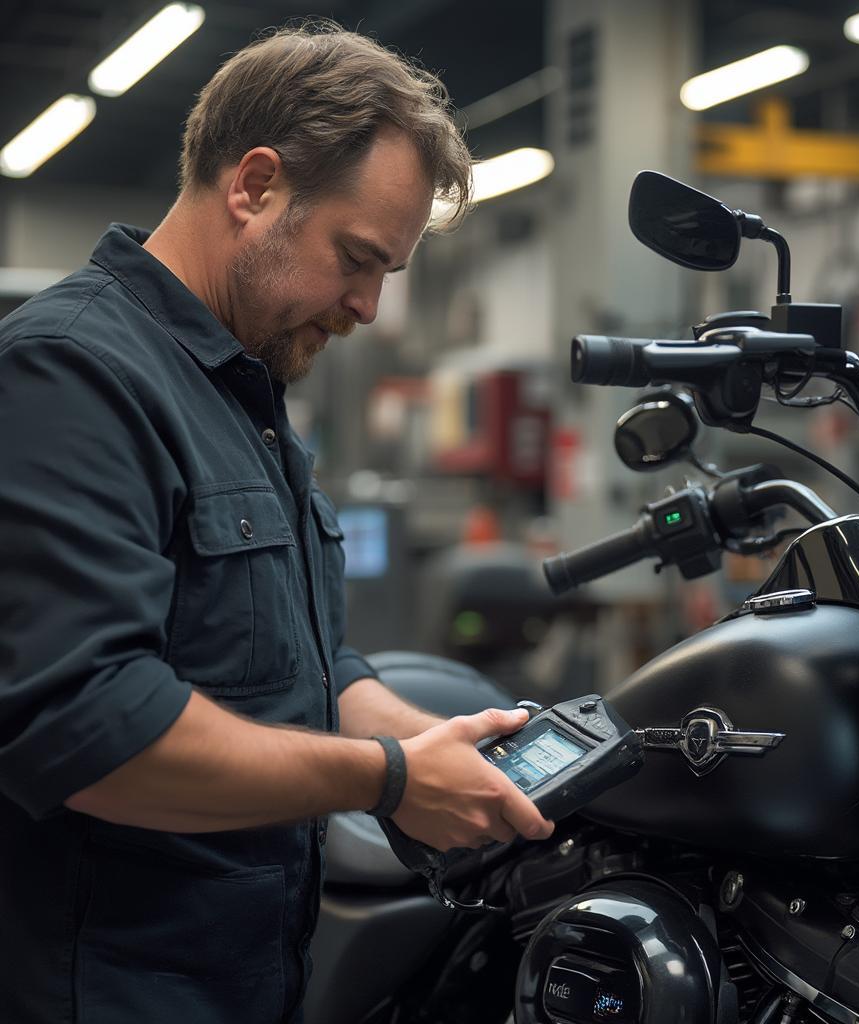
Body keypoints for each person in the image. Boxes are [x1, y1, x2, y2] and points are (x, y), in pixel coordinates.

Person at [0, 22, 554, 1024]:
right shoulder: (68, 375)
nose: (371, 307)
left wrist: (434, 746)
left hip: (250, 982)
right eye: (356, 257)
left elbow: (302, 664)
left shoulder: (241, 396)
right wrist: (389, 780)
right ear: (253, 187)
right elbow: (90, 730)